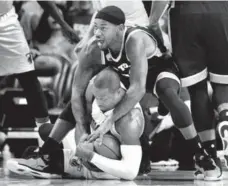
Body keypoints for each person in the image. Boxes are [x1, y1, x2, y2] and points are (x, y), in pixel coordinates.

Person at [7, 67, 145, 180]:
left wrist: (91, 156)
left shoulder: (130, 120)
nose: (100, 102)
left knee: (99, 148)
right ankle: (45, 158)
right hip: (95, 140)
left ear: (119, 93)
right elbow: (77, 115)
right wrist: (81, 137)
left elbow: (130, 172)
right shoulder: (94, 89)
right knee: (45, 131)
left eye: (103, 98)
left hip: (114, 156)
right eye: (97, 98)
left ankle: (54, 164)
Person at [150, 0, 228, 180]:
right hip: (222, 11)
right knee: (223, 85)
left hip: (186, 13)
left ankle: (211, 160)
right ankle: (225, 117)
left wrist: (153, 22)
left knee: (197, 89)